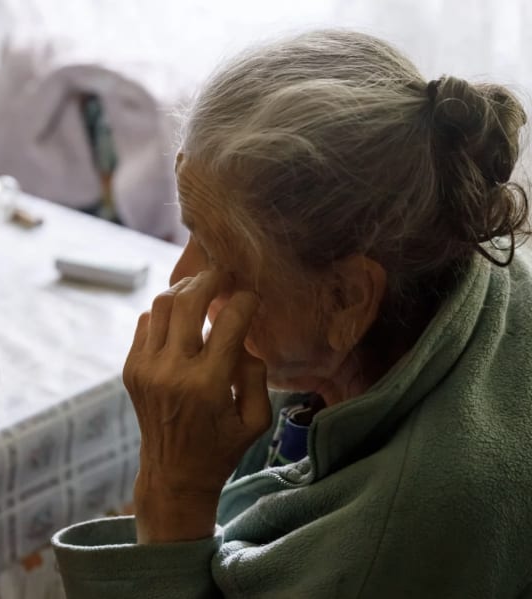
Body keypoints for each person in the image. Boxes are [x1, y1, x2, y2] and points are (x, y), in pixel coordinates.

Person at [53, 29, 532, 597]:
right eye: (190, 233)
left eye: (216, 251)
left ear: (348, 299)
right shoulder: (443, 241)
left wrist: (173, 490)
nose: (179, 278)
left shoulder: (401, 533)